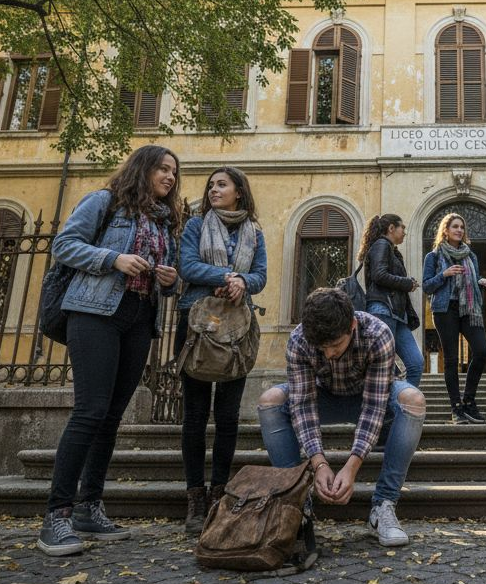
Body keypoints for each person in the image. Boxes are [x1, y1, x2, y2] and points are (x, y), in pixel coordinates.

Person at [39, 145, 182, 556]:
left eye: (174, 172)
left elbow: (170, 279)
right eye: (163, 169)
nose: (170, 177)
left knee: (111, 417)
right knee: (90, 411)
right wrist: (113, 258)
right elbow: (65, 245)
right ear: (143, 168)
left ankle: (89, 506)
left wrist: (170, 280)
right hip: (94, 312)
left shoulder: (164, 220)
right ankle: (57, 515)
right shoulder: (105, 202)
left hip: (139, 318)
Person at [257, 288, 427, 547]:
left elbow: (373, 407)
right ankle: (296, 505)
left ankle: (383, 506)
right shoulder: (299, 339)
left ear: (352, 326)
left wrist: (351, 467)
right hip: (323, 397)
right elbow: (303, 404)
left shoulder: (378, 334)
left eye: (335, 345)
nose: (329, 354)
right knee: (271, 400)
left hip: (371, 398)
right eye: (321, 348)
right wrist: (319, 464)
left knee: (413, 399)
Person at [175, 166, 267, 535]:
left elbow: (260, 275)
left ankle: (219, 492)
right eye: (211, 185)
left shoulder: (254, 232)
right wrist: (227, 277)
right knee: (195, 414)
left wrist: (243, 281)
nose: (214, 190)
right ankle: (194, 497)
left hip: (237, 328)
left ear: (239, 192)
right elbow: (187, 266)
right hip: (197, 322)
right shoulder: (196, 225)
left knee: (228, 416)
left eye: (222, 185)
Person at [422, 213, 486, 423]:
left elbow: (473, 278)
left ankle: (469, 402)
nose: (459, 230)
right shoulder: (433, 256)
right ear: (445, 230)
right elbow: (427, 285)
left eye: (462, 227)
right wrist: (444, 274)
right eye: (455, 226)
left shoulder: (470, 255)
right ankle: (456, 408)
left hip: (469, 308)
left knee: (481, 351)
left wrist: (482, 281)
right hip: (445, 309)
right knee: (451, 359)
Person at [360, 214, 424, 388]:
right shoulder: (381, 244)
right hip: (382, 310)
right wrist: (407, 283)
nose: (405, 232)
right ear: (391, 228)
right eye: (402, 227)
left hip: (397, 314)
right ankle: (389, 400)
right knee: (384, 366)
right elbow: (379, 275)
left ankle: (404, 399)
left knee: (416, 363)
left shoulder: (391, 250)